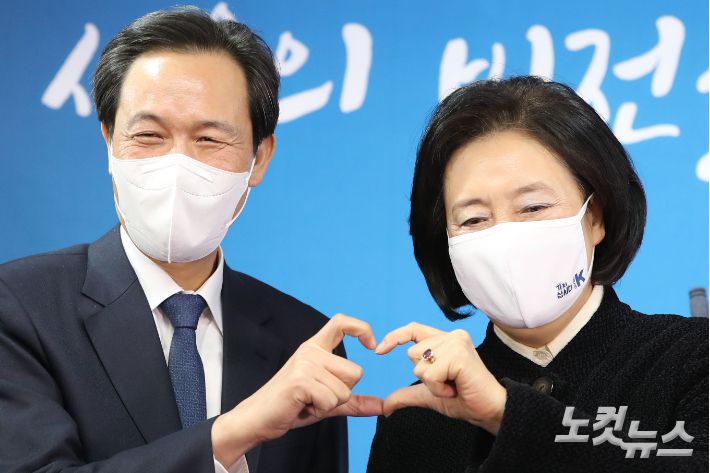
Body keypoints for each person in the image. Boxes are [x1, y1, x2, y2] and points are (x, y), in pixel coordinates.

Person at [0, 7, 383, 473]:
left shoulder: (303, 340)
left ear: (260, 157)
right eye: (149, 135)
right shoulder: (20, 308)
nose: (177, 164)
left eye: (209, 139)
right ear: (109, 142)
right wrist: (233, 432)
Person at [366, 76, 708, 472]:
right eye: (474, 219)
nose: (505, 237)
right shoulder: (416, 418)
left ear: (595, 218)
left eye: (533, 207)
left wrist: (505, 415)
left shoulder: (693, 359)